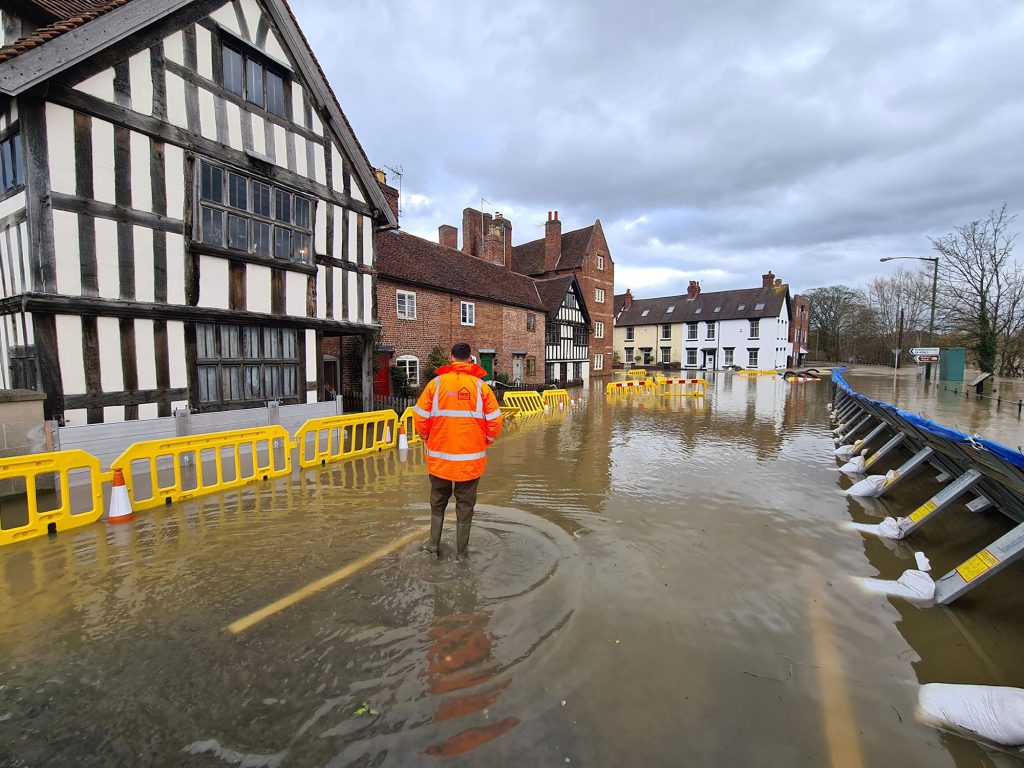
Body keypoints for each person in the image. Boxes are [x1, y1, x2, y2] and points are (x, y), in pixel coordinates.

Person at [413, 342, 503, 559]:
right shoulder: (481, 387)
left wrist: (427, 438)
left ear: (451, 358)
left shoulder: (436, 384)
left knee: (438, 500)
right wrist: (485, 442)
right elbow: (495, 421)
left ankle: (433, 545)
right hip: (470, 461)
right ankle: (462, 554)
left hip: (439, 459)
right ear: (470, 359)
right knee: (465, 505)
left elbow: (419, 417)